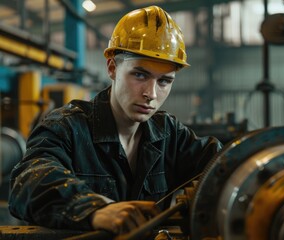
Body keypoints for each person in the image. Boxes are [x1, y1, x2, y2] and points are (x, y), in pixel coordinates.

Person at [8, 5, 222, 236]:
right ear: (112, 67)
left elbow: (223, 164)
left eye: (164, 81)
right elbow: (29, 183)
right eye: (140, 75)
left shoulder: (169, 134)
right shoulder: (66, 128)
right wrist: (96, 209)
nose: (151, 93)